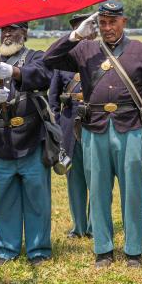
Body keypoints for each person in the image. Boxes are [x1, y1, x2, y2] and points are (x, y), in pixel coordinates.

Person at [44, 1, 142, 269]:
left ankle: (133, 250)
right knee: (98, 190)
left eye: (113, 22)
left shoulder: (141, 51)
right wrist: (75, 36)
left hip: (130, 126)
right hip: (95, 126)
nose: (108, 28)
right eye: (102, 23)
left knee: (133, 191)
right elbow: (50, 58)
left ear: (124, 22)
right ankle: (103, 249)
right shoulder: (85, 49)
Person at [0, 22, 53, 266]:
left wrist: (16, 73)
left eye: (13, 30)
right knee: (4, 201)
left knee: (37, 200)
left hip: (32, 138)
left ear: (24, 33)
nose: (7, 35)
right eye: (3, 30)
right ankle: (7, 249)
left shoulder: (36, 56)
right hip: (0, 142)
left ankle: (38, 250)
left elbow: (45, 76)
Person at [48, 14, 93, 239]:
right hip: (69, 124)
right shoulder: (62, 63)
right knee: (74, 179)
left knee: (97, 176)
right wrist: (59, 126)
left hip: (95, 123)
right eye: (79, 31)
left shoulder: (99, 57)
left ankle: (95, 225)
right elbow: (53, 100)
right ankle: (78, 226)